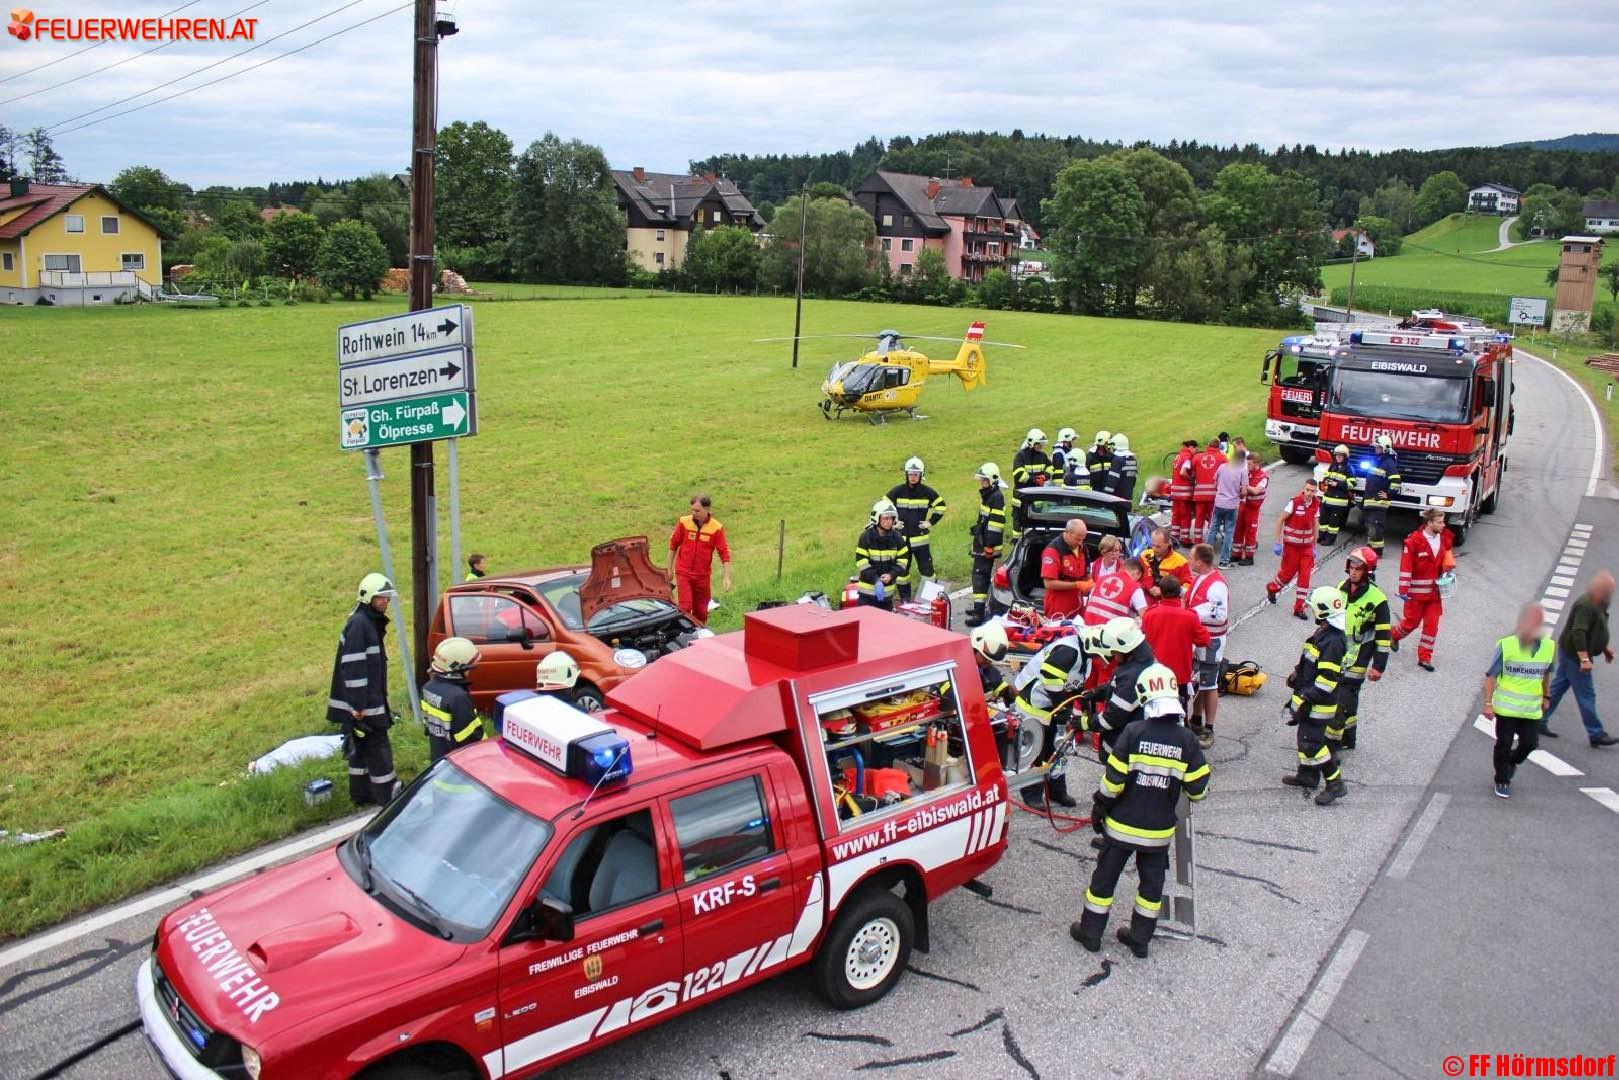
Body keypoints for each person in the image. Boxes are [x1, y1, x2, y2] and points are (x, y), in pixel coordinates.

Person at [1071, 663, 1209, 959]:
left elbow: (1113, 781)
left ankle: (1091, 933)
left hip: (1121, 825)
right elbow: (1199, 790)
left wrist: (1099, 804)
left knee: (1104, 881)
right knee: (1151, 886)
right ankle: (1140, 939)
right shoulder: (1187, 741)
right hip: (1158, 832)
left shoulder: (1134, 732)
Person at [327, 572, 400, 807]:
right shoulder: (361, 624)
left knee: (360, 747)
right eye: (381, 598)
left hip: (361, 703)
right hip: (366, 704)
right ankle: (388, 795)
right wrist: (358, 707)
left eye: (387, 598)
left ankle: (361, 793)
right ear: (367, 597)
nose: (385, 602)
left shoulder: (365, 621)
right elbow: (355, 668)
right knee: (378, 747)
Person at [1011, 626, 1094, 807]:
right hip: (1034, 704)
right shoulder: (1068, 651)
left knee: (1059, 748)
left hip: (1053, 705)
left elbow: (1075, 684)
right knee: (1037, 750)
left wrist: (1083, 706)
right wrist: (1061, 707)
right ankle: (1031, 792)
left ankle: (1056, 790)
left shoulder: (1087, 657)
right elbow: (1050, 678)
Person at [1282, 586, 1351, 806]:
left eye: (1315, 608)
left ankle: (1335, 783)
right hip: (1310, 696)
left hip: (1319, 702)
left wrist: (1305, 697)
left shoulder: (1333, 641)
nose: (1311, 611)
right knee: (1304, 737)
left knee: (1312, 743)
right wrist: (1297, 674)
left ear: (1324, 610)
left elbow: (1327, 681)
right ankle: (1308, 775)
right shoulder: (1324, 632)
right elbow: (1311, 659)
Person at [1484, 603, 1556, 798]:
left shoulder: (1549, 647)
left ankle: (1512, 762)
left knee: (1530, 743)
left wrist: (1547, 695)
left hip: (1531, 709)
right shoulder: (1507, 645)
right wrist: (1488, 704)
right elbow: (1491, 676)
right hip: (1507, 709)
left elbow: (1546, 673)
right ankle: (1502, 779)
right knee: (1504, 743)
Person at [1540, 570, 1617, 747]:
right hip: (1574, 657)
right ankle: (1596, 733)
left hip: (1570, 655)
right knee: (1586, 695)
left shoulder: (1597, 603)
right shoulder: (1587, 606)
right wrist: (1584, 659)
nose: (1610, 596)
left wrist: (1604, 648)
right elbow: (1578, 632)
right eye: (1608, 591)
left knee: (1558, 688)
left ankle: (1539, 720)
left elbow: (1594, 630)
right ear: (1599, 590)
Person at [1335, 547, 1391, 751]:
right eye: (1352, 566)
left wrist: (1378, 666)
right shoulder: (1341, 587)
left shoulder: (1378, 600)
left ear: (1367, 571)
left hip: (1358, 658)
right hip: (1338, 653)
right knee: (1346, 698)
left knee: (1344, 697)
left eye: (1358, 568)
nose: (1353, 571)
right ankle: (1349, 738)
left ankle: (1336, 739)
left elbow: (1384, 637)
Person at [1080, 617, 1158, 754]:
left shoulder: (1132, 675)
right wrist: (1098, 692)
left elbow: (1110, 720)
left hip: (1124, 750)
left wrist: (1085, 723)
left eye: (1115, 652)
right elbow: (1120, 689)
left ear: (1125, 648)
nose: (1114, 656)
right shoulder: (1145, 660)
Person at [1390, 508, 1454, 671]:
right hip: (1416, 594)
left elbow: (1447, 557)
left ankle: (1425, 658)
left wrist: (1448, 572)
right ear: (1429, 523)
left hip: (1434, 594)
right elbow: (1406, 567)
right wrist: (1403, 589)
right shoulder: (1413, 541)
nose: (1443, 525)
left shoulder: (1444, 538)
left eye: (1443, 521)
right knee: (1411, 623)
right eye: (1439, 522)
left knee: (1431, 626)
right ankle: (1394, 634)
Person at [1184, 544, 1229, 749]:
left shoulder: (1216, 585)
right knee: (1200, 682)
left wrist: (1192, 614)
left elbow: (1219, 615)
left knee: (1209, 684)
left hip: (1211, 642)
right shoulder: (1201, 578)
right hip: (1199, 638)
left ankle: (1208, 728)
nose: (1189, 560)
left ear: (1200, 562)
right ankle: (1195, 719)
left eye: (1191, 558)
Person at [1140, 576, 1209, 709]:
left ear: (1161, 592)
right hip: (1180, 674)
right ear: (1179, 592)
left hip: (1155, 672)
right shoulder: (1190, 616)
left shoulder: (1150, 614)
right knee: (1180, 708)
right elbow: (1204, 640)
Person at [887, 456, 948, 603]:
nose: (913, 477)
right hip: (901, 541)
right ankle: (905, 601)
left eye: (916, 474)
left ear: (921, 475)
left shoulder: (928, 492)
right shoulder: (898, 491)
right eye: (910, 474)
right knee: (902, 573)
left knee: (927, 572)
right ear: (906, 474)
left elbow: (941, 506)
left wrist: (930, 522)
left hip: (921, 541)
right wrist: (893, 522)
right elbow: (883, 507)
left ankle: (929, 602)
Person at [668, 494, 733, 627]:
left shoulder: (716, 528)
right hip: (683, 572)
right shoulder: (684, 522)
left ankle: (699, 634)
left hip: (702, 576)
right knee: (685, 606)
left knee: (701, 611)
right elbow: (673, 545)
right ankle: (683, 632)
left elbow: (724, 553)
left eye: (697, 511)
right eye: (692, 510)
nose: (693, 513)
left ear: (707, 509)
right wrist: (669, 569)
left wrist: (727, 577)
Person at [421, 637, 483, 762]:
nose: (469, 671)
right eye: (468, 668)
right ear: (458, 668)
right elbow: (471, 740)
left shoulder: (428, 687)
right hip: (461, 767)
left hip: (439, 762)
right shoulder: (458, 697)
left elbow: (428, 725)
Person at [1267, 478, 1321, 619]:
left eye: (1313, 491)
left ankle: (1299, 608)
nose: (1309, 493)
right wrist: (1278, 542)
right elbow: (1280, 520)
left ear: (1316, 492)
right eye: (1307, 490)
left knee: (1305, 578)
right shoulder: (1294, 502)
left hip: (1307, 549)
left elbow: (1316, 524)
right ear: (1304, 488)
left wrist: (1314, 545)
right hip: (1292, 548)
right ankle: (1272, 588)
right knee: (1286, 575)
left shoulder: (1316, 504)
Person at [965, 462, 1007, 627]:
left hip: (987, 547)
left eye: (985, 480)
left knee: (979, 578)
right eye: (982, 480)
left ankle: (979, 614)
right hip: (982, 544)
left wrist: (989, 545)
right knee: (980, 577)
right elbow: (985, 520)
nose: (982, 483)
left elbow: (996, 525)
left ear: (993, 480)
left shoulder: (996, 497)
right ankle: (980, 608)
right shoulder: (989, 495)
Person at [854, 498, 911, 611]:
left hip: (887, 596)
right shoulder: (866, 537)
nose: (889, 521)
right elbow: (862, 562)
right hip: (866, 595)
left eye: (891, 518)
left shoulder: (898, 539)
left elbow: (903, 561)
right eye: (885, 518)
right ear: (876, 518)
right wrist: (876, 580)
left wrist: (891, 575)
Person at [1041, 518, 1091, 620]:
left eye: (1083, 539)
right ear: (1067, 533)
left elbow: (1087, 570)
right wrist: (1077, 585)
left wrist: (1090, 582)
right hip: (1058, 606)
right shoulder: (1052, 551)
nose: (1080, 543)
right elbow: (1049, 583)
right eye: (1077, 539)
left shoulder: (1082, 548)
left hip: (1078, 605)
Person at [1360, 435, 1402, 557]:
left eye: (1378, 447)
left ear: (1385, 449)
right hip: (1370, 500)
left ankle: (1377, 552)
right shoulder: (1377, 461)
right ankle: (1370, 550)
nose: (1376, 449)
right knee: (1370, 526)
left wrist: (1388, 494)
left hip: (1379, 503)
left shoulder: (1388, 463)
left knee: (1376, 527)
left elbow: (1396, 482)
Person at [1010, 428, 1054, 538]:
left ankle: (1034, 538)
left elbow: (1050, 468)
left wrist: (1045, 476)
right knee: (1019, 520)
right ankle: (1017, 542)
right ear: (1031, 442)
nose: (1041, 446)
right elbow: (1019, 476)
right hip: (1021, 495)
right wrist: (1035, 479)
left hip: (1036, 495)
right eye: (1038, 444)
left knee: (1035, 519)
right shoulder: (1021, 456)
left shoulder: (1043, 456)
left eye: (1041, 444)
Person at [1207, 447, 1247, 568]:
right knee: (1229, 532)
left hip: (1219, 503)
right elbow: (1244, 491)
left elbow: (1215, 483)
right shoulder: (1242, 470)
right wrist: (1238, 493)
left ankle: (1205, 558)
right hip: (1232, 505)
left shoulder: (1222, 467)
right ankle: (1224, 561)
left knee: (1213, 529)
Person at [1085, 552, 1147, 625]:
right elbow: (1145, 616)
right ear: (1138, 574)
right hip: (1112, 633)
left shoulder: (1101, 579)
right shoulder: (1134, 587)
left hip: (1089, 629)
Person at [1233, 450, 1269, 566]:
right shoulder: (1247, 473)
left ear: (1256, 463)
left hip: (1253, 509)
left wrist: (1244, 485)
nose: (1247, 466)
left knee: (1250, 532)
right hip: (1243, 505)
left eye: (1249, 464)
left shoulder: (1263, 477)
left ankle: (1249, 557)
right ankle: (1236, 554)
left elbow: (1255, 491)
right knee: (1238, 529)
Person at [1189, 437, 1227, 546]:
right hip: (1214, 495)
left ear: (1208, 445)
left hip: (1199, 494)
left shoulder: (1197, 457)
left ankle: (1197, 541)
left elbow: (1192, 474)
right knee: (1213, 518)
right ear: (1218, 446)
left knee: (1199, 518)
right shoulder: (1222, 458)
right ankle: (1211, 540)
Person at [1140, 527, 1192, 603]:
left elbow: (1188, 587)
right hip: (1144, 601)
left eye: (1158, 546)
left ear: (1169, 543)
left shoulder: (1181, 562)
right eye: (1153, 545)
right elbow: (1136, 577)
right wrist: (1149, 588)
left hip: (1167, 604)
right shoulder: (1144, 555)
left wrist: (1165, 591)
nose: (1154, 549)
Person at [969, 622, 1015, 707]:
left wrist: (1008, 693)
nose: (988, 663)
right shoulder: (957, 671)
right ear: (974, 649)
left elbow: (998, 684)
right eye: (986, 659)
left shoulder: (987, 670)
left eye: (991, 660)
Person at [1318, 444, 1353, 545]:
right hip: (1327, 499)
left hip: (1339, 502)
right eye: (1337, 455)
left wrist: (1337, 484)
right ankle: (1321, 538)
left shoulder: (1349, 469)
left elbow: (1351, 484)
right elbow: (1325, 477)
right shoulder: (1333, 466)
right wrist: (1326, 481)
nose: (1338, 457)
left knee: (1333, 523)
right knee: (1323, 520)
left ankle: (1329, 540)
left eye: (1340, 456)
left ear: (1345, 457)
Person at [1169, 439, 1198, 546]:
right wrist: (1190, 478)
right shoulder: (1187, 457)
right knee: (1186, 515)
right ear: (1191, 447)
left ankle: (1174, 537)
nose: (1195, 451)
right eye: (1195, 449)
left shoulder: (1178, 456)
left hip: (1175, 491)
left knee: (1176, 514)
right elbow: (1182, 472)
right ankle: (1185, 539)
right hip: (1184, 492)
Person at [1106, 433, 1138, 505]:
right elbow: (1134, 479)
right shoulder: (1132, 459)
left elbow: (1112, 479)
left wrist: (1106, 495)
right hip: (1128, 497)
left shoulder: (1117, 460)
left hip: (1117, 498)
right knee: (1124, 516)